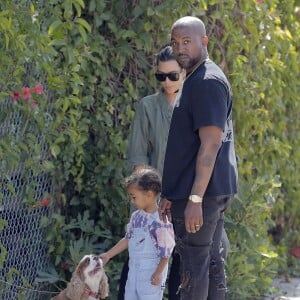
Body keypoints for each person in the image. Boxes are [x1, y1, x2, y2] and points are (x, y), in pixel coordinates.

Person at [159, 16, 238, 300]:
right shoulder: (198, 78)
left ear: (204, 41)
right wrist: (172, 191)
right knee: (210, 265)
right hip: (202, 191)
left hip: (202, 195)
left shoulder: (206, 82)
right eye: (175, 42)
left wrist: (193, 199)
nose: (180, 48)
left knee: (193, 271)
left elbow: (210, 145)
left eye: (187, 41)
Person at [119, 45, 185, 300]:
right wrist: (150, 202)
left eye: (173, 75)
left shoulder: (193, 105)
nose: (167, 82)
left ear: (184, 72)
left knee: (178, 261)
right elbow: (138, 156)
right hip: (151, 200)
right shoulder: (147, 106)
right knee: (138, 258)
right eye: (161, 76)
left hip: (183, 198)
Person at [100, 168, 175, 300]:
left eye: (134, 197)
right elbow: (128, 238)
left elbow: (167, 251)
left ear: (149, 195)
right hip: (134, 270)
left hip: (151, 275)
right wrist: (108, 255)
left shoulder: (160, 221)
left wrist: (158, 273)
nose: (132, 201)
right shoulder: (136, 217)